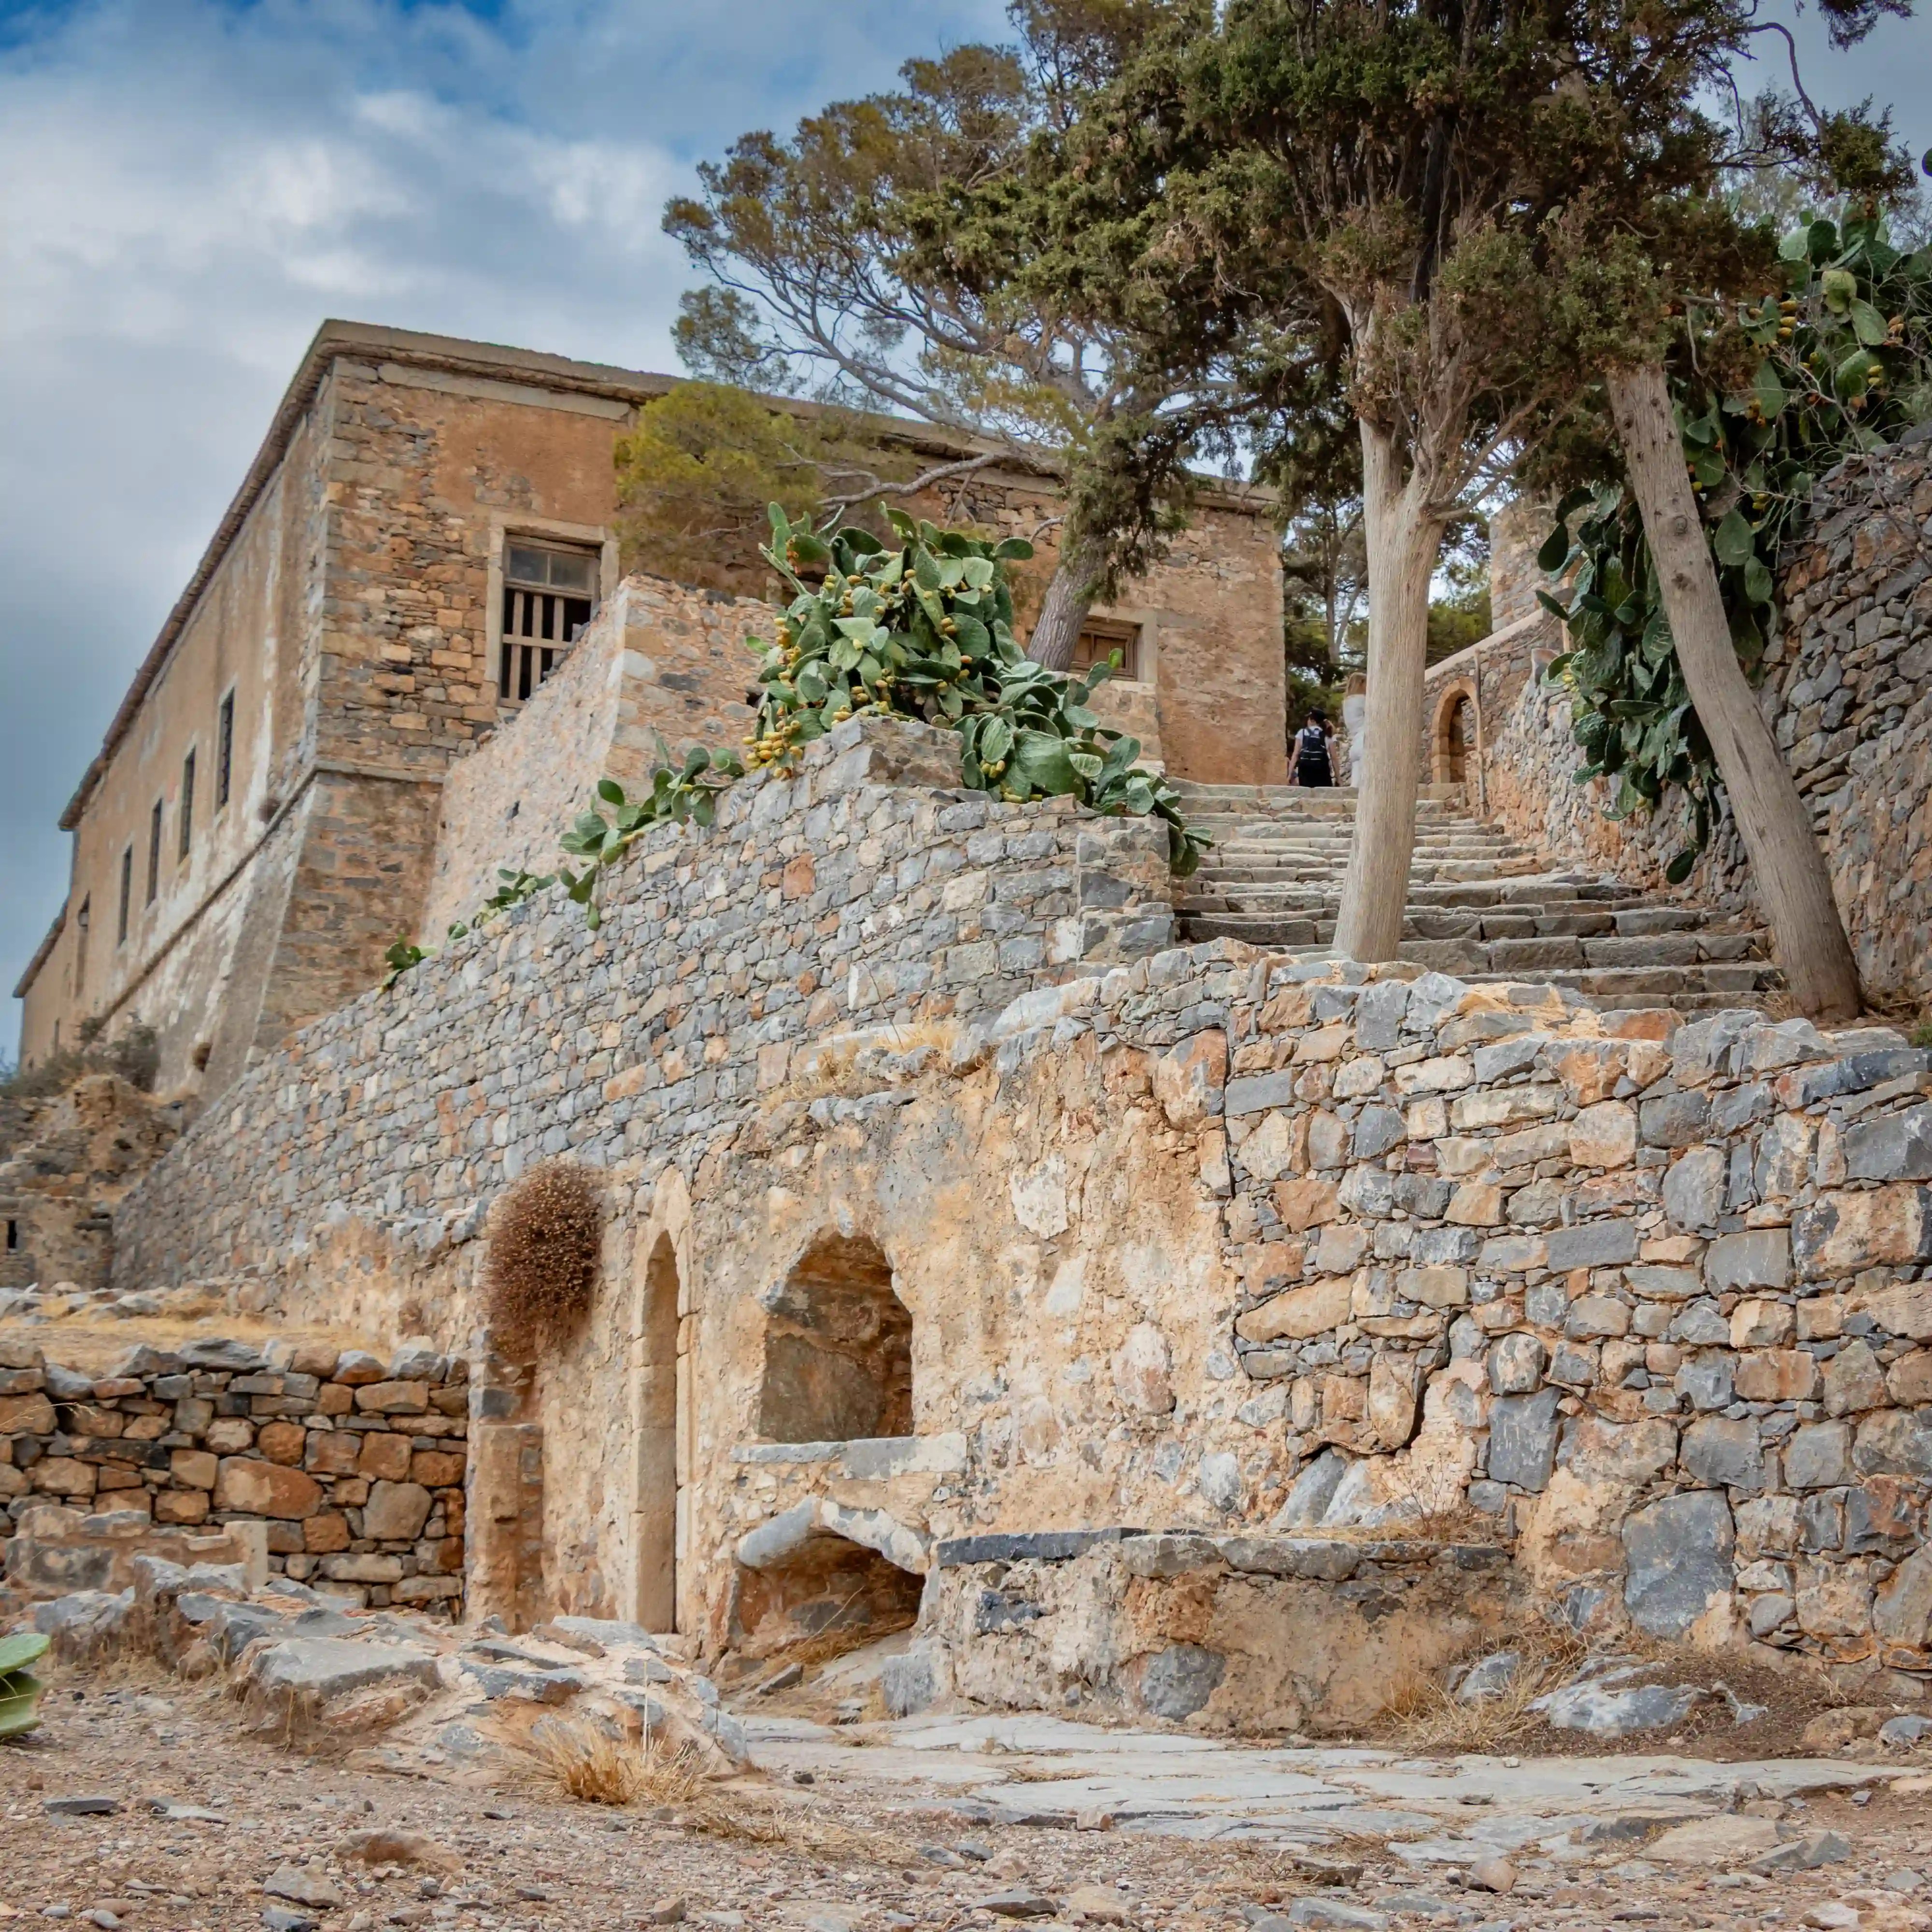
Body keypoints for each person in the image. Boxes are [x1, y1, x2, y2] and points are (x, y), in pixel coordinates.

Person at [1293, 709, 1334, 787]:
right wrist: (1338, 778)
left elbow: (1295, 755)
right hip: (1322, 771)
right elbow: (1334, 758)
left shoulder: (1302, 733)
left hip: (1305, 771)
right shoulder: (1327, 735)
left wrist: (1289, 774)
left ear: (1313, 721)